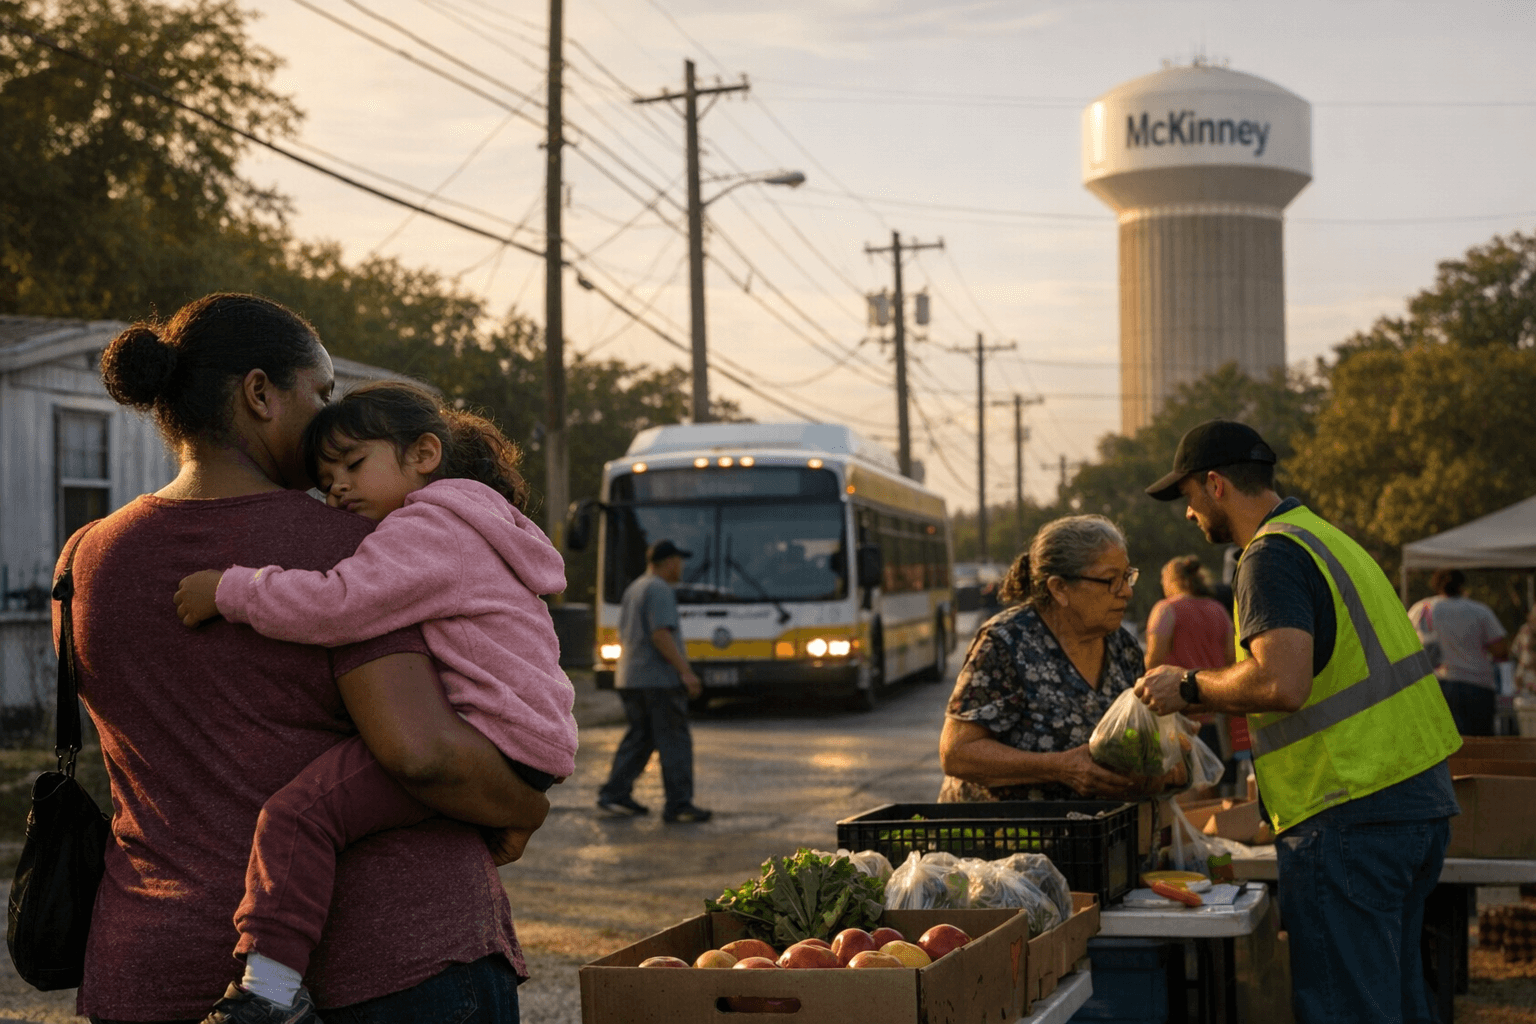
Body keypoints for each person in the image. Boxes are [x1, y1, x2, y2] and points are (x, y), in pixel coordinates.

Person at [71, 293, 549, 1024]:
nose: (330, 419)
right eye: (321, 394)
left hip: (153, 958)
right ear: (261, 394)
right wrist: (522, 808)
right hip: (386, 964)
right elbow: (422, 754)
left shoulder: (86, 560)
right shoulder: (357, 547)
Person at [172, 380, 579, 1018]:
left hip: (487, 735)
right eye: (326, 477)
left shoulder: (426, 526)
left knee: (299, 817)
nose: (336, 487)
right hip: (526, 740)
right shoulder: (475, 519)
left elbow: (341, 603)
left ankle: (268, 993)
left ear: (422, 454)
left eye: (354, 464)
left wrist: (232, 591)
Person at [1136, 418, 1461, 1024]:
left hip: (1349, 811)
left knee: (1349, 1009)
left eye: (1187, 497)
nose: (1187, 514)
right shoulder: (1324, 537)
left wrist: (1187, 685)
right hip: (1412, 801)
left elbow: (1281, 682)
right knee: (1395, 999)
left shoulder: (1270, 556)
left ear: (1215, 484)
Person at [938, 515, 1153, 803]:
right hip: (1004, 836)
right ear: (1059, 588)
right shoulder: (1007, 642)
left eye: (1127, 577)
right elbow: (957, 753)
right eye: (1110, 581)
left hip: (1093, 835)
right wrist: (1061, 768)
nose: (1126, 591)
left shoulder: (1124, 649)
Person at [597, 540, 713, 823]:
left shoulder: (636, 587)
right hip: (658, 680)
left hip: (631, 678)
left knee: (641, 737)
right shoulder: (660, 589)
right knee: (674, 740)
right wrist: (685, 671)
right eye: (679, 561)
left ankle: (615, 794)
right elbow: (660, 634)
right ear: (670, 562)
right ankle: (679, 803)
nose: (682, 566)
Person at [1145, 555, 1235, 784]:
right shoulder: (1218, 610)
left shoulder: (1166, 609)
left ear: (1173, 581)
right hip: (1215, 714)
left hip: (1179, 719)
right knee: (1215, 787)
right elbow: (1231, 660)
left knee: (1186, 791)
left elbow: (1153, 661)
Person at [1407, 567, 1509, 736]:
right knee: (1479, 748)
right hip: (1476, 686)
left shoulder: (1420, 609)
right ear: (1462, 585)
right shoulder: (1479, 611)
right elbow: (1500, 650)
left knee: (1441, 745)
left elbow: (1406, 646)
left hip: (1434, 686)